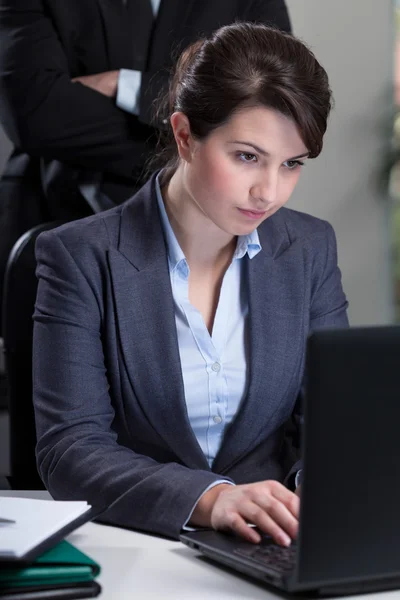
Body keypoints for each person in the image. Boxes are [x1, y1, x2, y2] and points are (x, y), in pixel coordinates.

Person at [32, 22, 348, 546]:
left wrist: (320, 488)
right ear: (184, 135)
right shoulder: (80, 257)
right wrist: (210, 498)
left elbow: (332, 422)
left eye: (292, 164)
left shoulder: (310, 249)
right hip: (136, 543)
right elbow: (70, 450)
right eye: (247, 156)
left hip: (274, 541)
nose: (269, 192)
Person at [0, 0, 291, 334]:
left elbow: (274, 102)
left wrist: (130, 87)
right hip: (50, 219)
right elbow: (34, 114)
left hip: (208, 235)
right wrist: (204, 145)